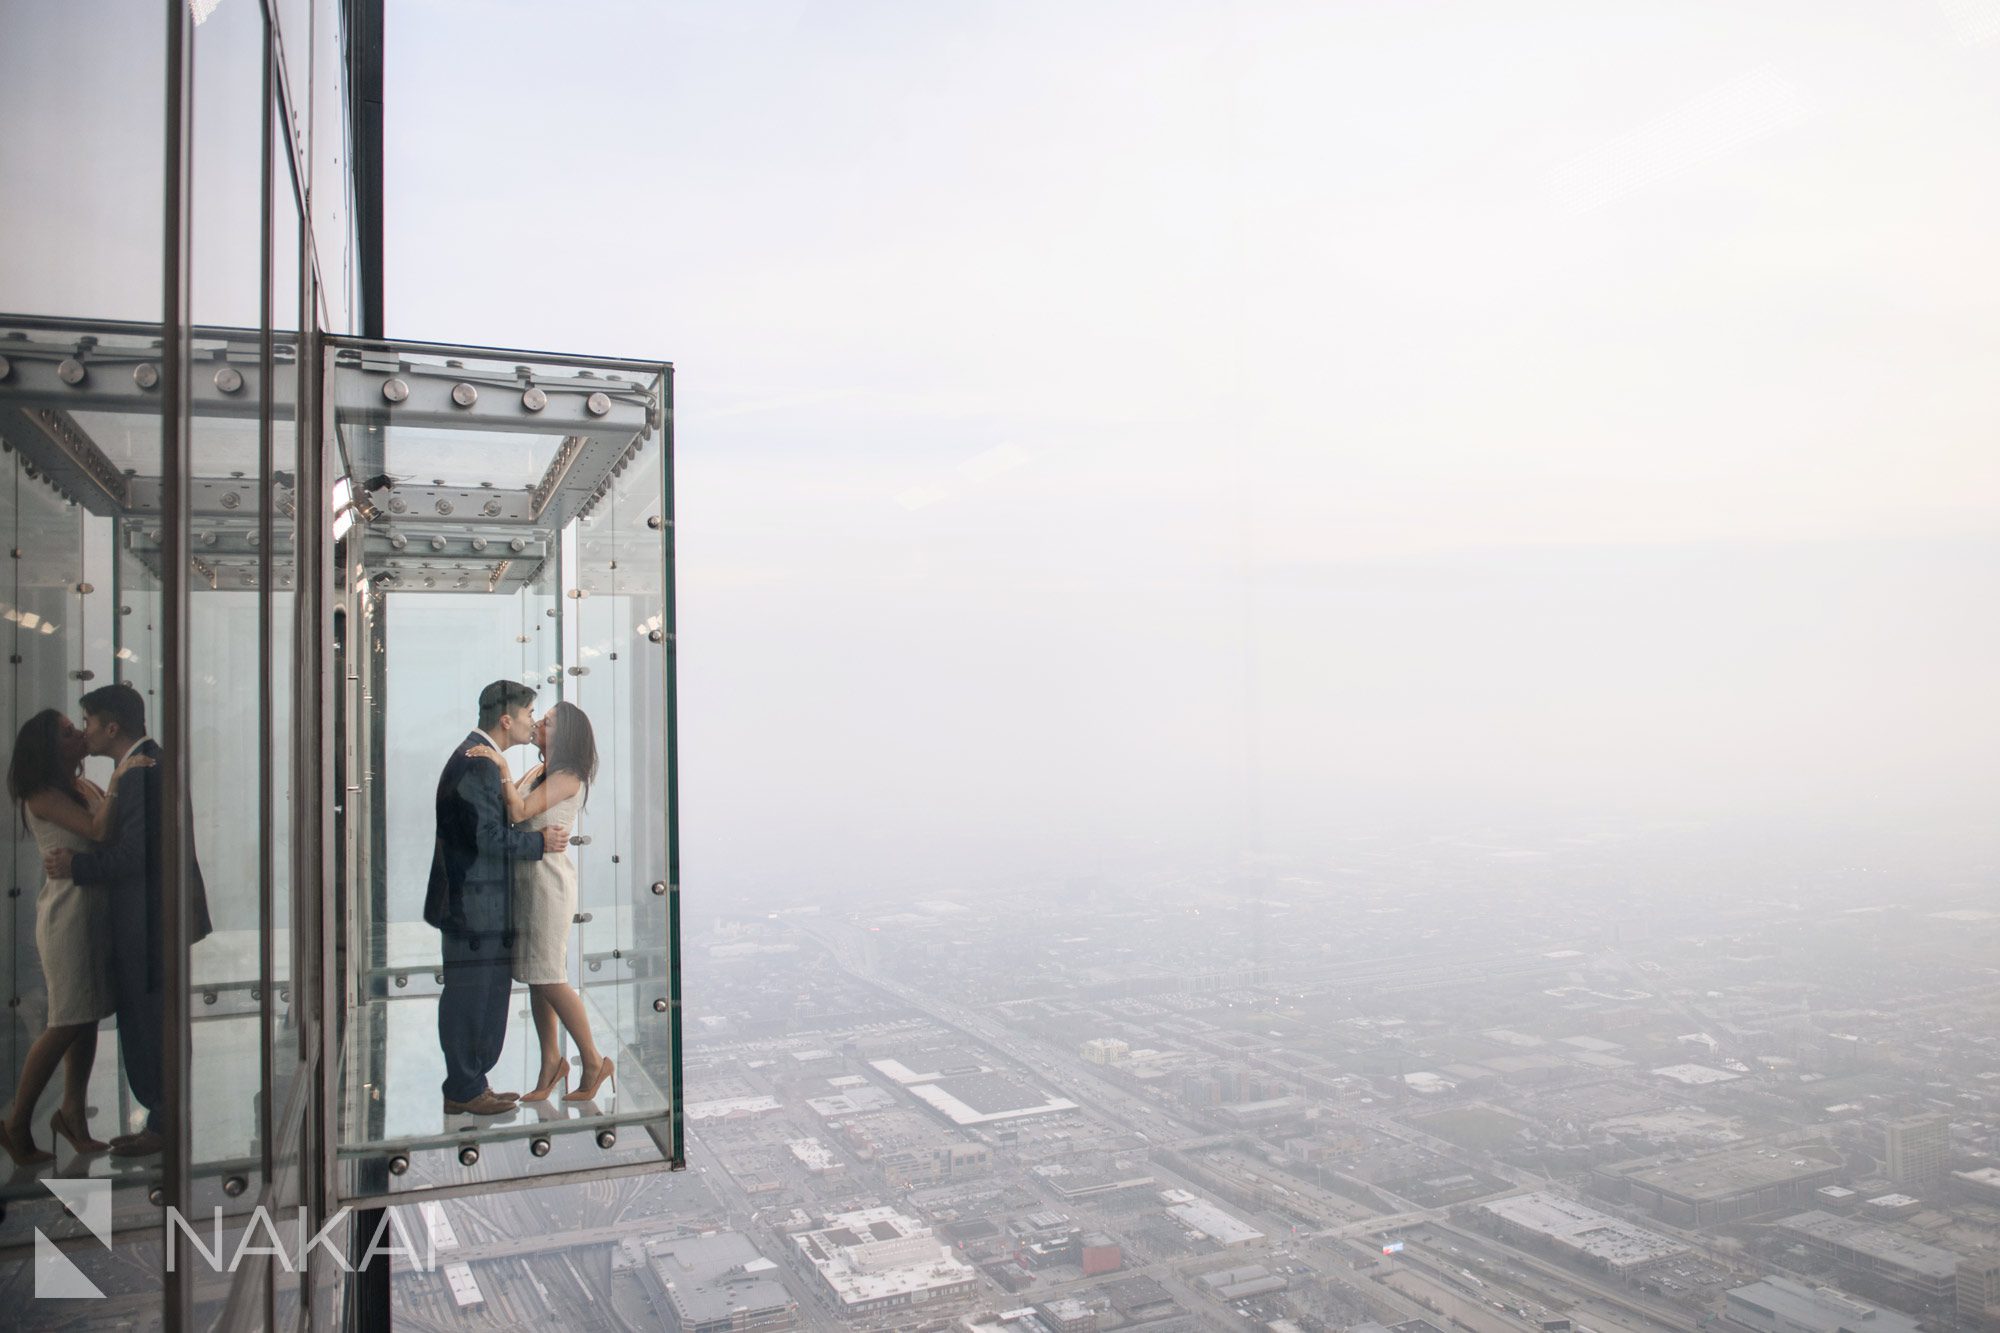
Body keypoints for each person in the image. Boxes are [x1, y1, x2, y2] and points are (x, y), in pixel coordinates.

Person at [41, 683, 213, 1158]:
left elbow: (136, 855)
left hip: (148, 922)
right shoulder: (143, 765)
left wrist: (75, 868)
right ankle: (164, 1118)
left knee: (148, 1026)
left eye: (90, 723)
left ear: (111, 726)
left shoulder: (139, 772)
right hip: (158, 918)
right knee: (157, 1023)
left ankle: (162, 1123)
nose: (86, 732)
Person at [0, 709, 152, 1165]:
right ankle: (15, 1122)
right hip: (67, 920)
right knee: (66, 1020)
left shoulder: (80, 786)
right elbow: (99, 830)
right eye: (68, 732)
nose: (79, 734)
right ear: (49, 747)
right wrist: (122, 772)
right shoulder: (41, 794)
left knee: (84, 1018)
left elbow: (110, 837)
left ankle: (71, 1114)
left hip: (91, 915)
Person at [424, 681, 568, 1116]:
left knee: (478, 995)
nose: (532, 723)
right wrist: (539, 844)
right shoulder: (477, 762)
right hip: (473, 907)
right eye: (529, 715)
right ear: (507, 719)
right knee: (471, 997)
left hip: (475, 905)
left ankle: (472, 1084)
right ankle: (465, 1089)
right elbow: (485, 837)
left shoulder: (485, 760)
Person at [467, 700, 612, 1103]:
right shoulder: (539, 770)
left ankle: (594, 1061)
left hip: (547, 886)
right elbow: (511, 812)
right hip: (527, 883)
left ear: (562, 734)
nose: (537, 725)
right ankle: (552, 1062)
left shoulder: (568, 776)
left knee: (549, 974)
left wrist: (500, 767)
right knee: (535, 974)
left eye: (546, 722)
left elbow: (520, 810)